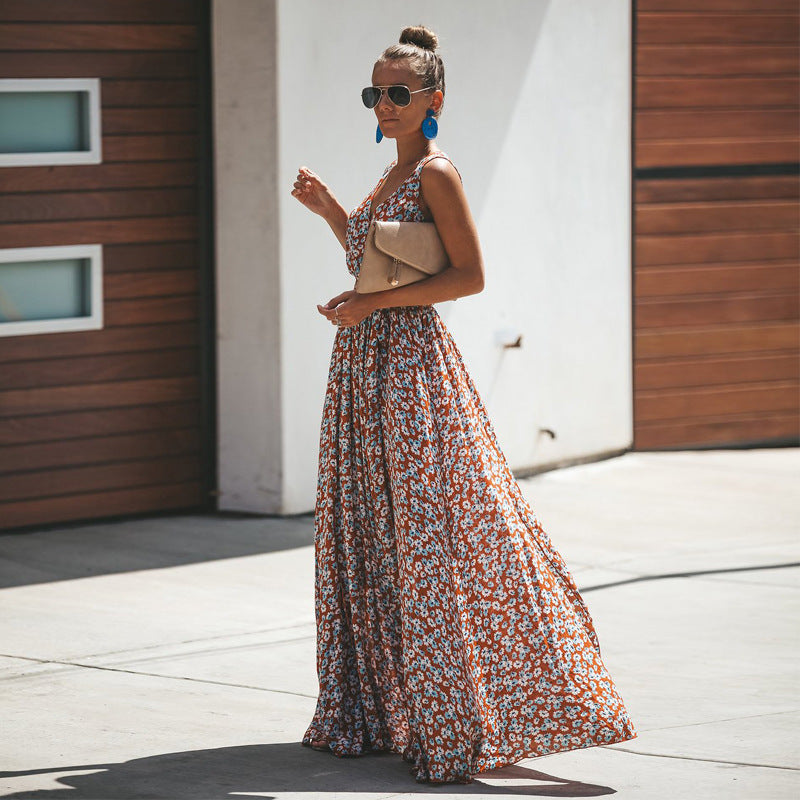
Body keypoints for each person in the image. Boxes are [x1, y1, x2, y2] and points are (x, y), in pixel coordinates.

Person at [290, 24, 636, 786]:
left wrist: (370, 310)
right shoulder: (388, 176)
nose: (384, 103)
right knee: (371, 534)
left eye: (398, 93)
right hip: (364, 367)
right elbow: (376, 261)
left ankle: (466, 718)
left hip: (411, 370)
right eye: (374, 92)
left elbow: (468, 277)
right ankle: (379, 711)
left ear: (433, 99)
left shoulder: (438, 173)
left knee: (431, 540)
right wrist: (329, 212)